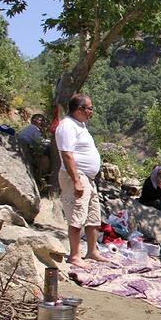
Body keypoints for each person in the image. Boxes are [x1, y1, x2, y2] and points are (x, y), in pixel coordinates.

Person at [55, 94, 108, 268]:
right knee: (77, 216)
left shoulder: (80, 125)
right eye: (90, 108)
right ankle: (75, 255)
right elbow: (67, 154)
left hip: (88, 178)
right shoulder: (67, 126)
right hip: (77, 176)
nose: (91, 112)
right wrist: (76, 180)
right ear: (79, 109)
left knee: (93, 216)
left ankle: (92, 251)